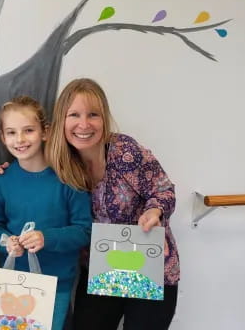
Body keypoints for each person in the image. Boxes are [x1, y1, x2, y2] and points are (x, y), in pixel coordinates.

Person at [45, 78, 179, 330]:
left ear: (104, 118)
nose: (84, 124)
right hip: (100, 271)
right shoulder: (59, 163)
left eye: (93, 115)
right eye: (74, 114)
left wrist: (154, 210)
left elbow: (164, 190)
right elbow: (27, 169)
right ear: (61, 120)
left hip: (149, 266)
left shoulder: (125, 151)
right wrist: (0, 172)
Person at [0, 96, 92, 330]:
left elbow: (84, 230)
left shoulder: (68, 179)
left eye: (28, 130)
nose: (20, 139)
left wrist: (47, 238)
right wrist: (7, 242)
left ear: (45, 132)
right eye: (12, 133)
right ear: (2, 137)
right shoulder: (1, 183)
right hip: (12, 286)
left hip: (56, 285)